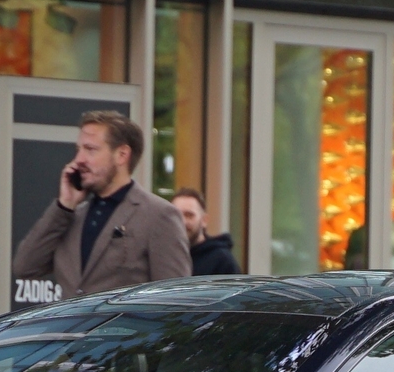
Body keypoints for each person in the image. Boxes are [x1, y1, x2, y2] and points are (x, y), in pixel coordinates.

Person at [14, 111, 192, 294]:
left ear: (122, 155)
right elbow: (25, 267)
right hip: (75, 322)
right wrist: (64, 205)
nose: (79, 160)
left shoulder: (158, 215)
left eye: (90, 150)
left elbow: (174, 298)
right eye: (78, 150)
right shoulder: (71, 216)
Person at [172, 188, 240, 275]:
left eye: (189, 215)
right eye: (177, 215)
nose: (182, 222)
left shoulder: (222, 261)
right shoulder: (163, 256)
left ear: (204, 220)